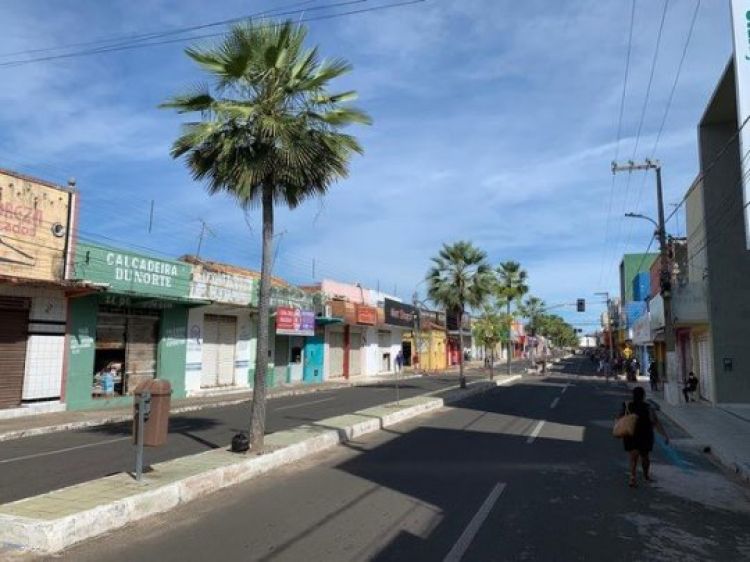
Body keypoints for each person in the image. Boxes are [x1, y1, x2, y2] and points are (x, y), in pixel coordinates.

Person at [619, 386, 669, 488]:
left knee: (633, 457)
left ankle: (632, 477)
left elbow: (620, 418)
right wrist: (664, 435)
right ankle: (646, 475)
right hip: (645, 435)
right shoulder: (648, 407)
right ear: (643, 396)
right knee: (645, 456)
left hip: (631, 434)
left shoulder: (627, 405)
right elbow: (655, 421)